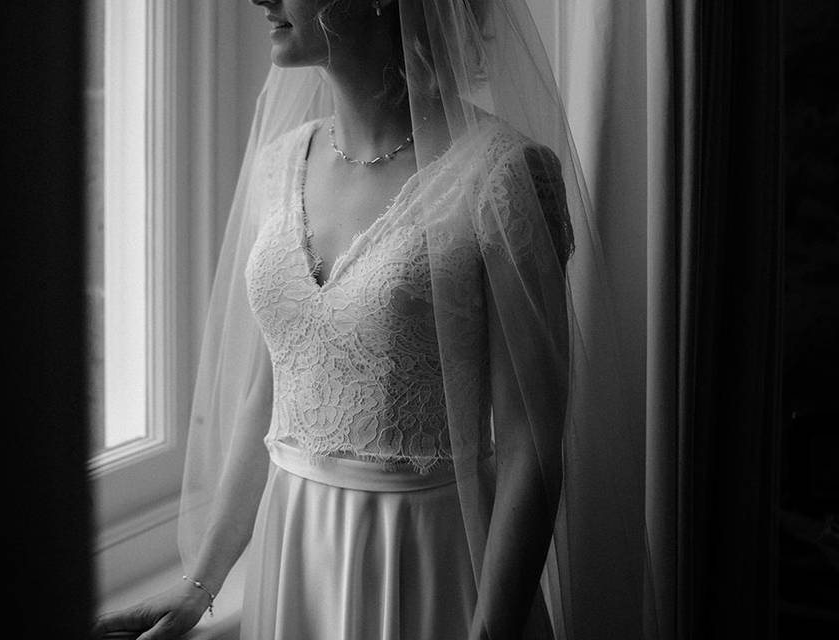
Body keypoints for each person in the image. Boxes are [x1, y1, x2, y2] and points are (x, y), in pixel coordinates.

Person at [93, 1, 654, 639]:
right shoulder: (279, 165)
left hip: (428, 564)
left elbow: (531, 444)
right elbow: (269, 394)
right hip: (297, 559)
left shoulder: (501, 176)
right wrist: (200, 584)